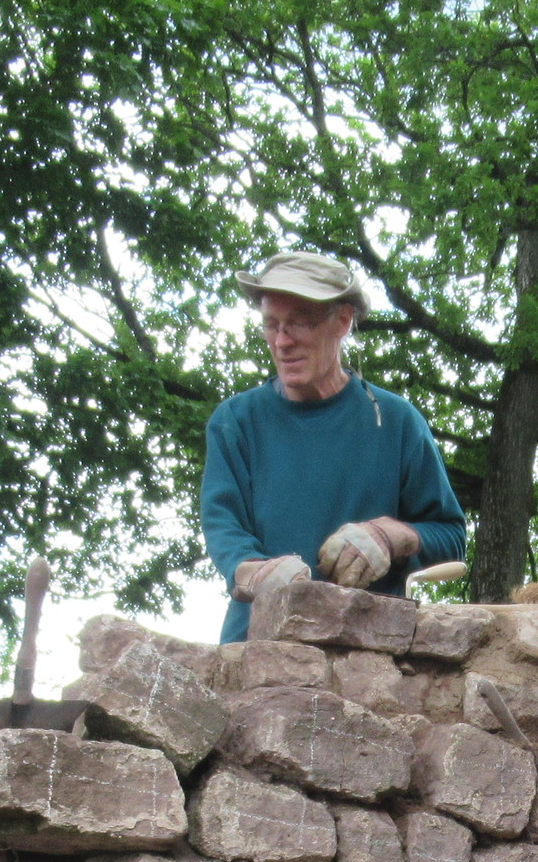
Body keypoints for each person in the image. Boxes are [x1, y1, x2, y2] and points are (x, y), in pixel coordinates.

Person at [200, 252, 469, 642]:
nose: (282, 342)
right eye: (271, 325)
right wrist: (253, 573)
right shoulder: (236, 421)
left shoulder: (396, 421)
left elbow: (451, 538)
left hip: (370, 654)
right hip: (257, 646)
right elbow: (224, 530)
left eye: (299, 323)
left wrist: (390, 536)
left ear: (342, 321)